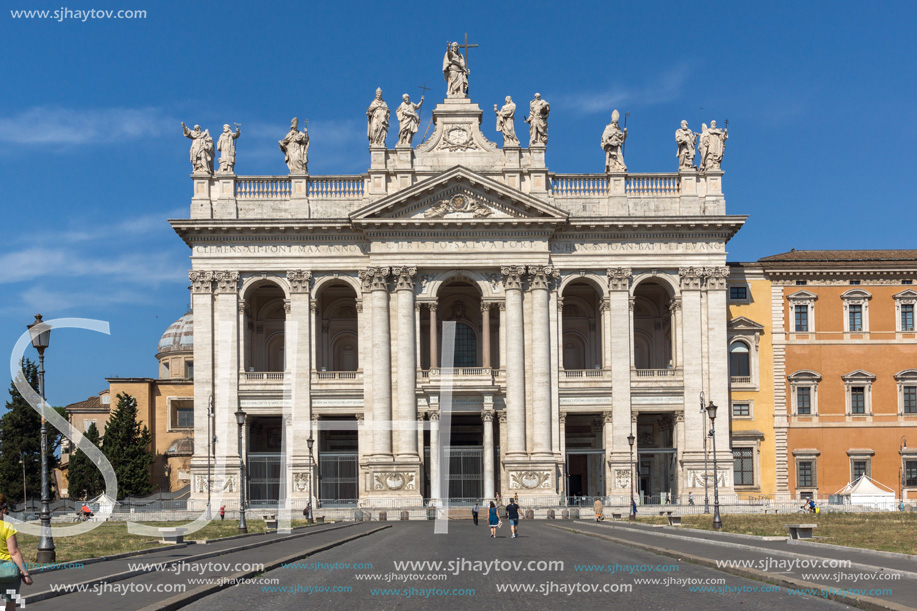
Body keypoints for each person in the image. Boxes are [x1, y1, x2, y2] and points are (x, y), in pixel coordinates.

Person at [0, 495, 33, 611]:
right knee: (10, 602)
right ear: (4, 509)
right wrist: (25, 574)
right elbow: (14, 552)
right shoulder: (7, 527)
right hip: (7, 572)